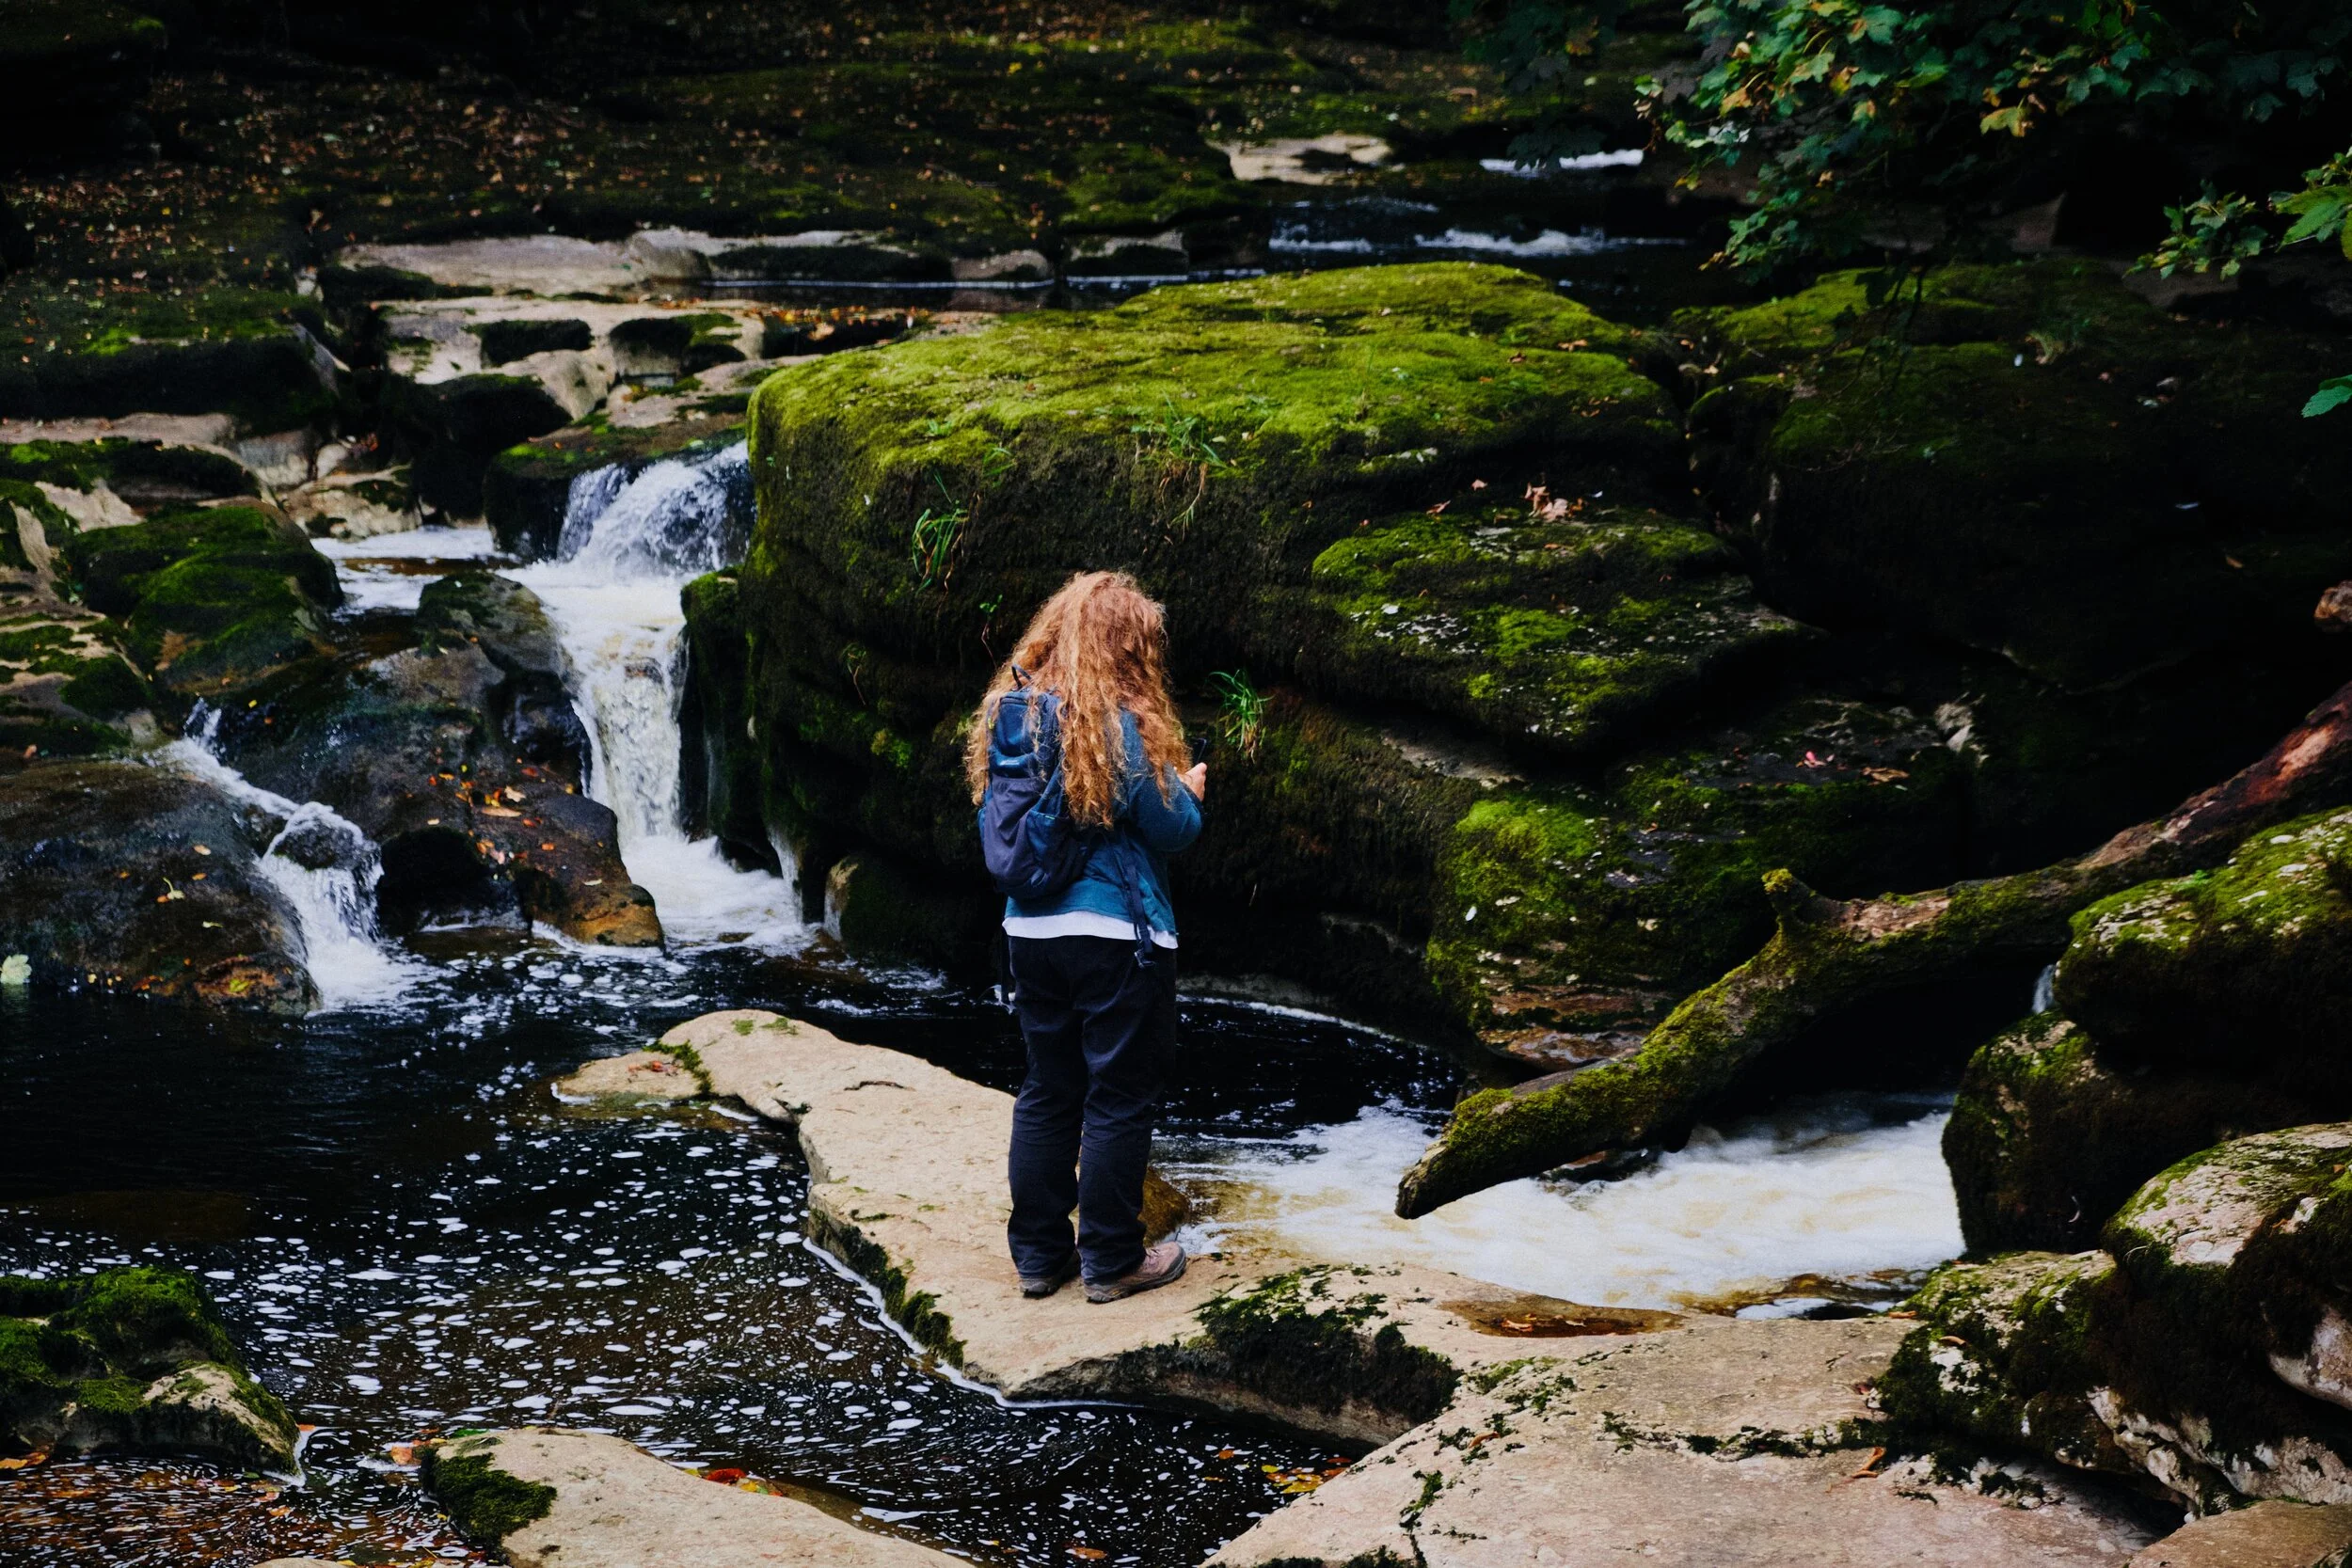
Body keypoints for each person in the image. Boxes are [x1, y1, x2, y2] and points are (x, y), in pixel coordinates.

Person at [965, 571, 1205, 1305]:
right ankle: (1111, 1259)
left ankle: (1040, 1258)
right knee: (1119, 1095)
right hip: (1113, 935)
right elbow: (1171, 830)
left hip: (1030, 931)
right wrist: (1189, 793)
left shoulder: (1012, 716)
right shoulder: (1110, 724)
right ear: (1124, 648)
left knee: (1047, 1087)